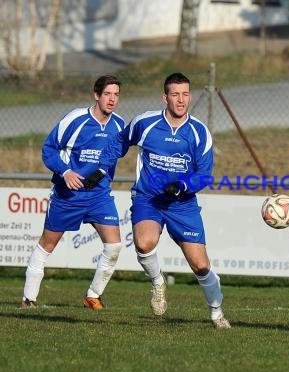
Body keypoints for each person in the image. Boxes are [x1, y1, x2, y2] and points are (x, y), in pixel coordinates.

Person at [89, 72, 231, 329]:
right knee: (144, 243)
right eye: (175, 94)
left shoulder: (199, 132)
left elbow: (204, 175)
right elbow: (119, 142)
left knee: (200, 266)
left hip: (182, 203)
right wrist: (102, 168)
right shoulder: (145, 123)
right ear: (165, 97)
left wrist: (184, 185)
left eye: (185, 94)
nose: (181, 100)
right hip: (149, 198)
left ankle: (217, 312)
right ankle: (158, 282)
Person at [20, 75, 124, 310]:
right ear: (96, 95)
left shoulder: (118, 125)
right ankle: (28, 299)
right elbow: (48, 149)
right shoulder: (75, 119)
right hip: (69, 196)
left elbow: (118, 152)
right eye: (107, 94)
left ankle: (93, 296)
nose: (112, 99)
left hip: (99, 196)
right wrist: (65, 172)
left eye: (116, 95)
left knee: (114, 245)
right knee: (47, 245)